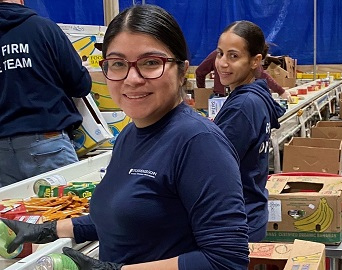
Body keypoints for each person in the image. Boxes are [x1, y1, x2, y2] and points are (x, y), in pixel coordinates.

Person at [3, 5, 249, 270]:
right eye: (118, 64)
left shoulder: (199, 142)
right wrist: (48, 229)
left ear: (182, 70)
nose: (132, 79)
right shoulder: (130, 134)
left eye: (151, 63)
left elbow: (227, 260)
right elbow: (122, 217)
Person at [0, 0, 91, 187]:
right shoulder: (44, 29)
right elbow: (81, 85)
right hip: (48, 142)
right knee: (65, 210)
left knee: (12, 214)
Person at [213, 20, 286, 242]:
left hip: (234, 221)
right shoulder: (256, 97)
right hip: (252, 210)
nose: (222, 63)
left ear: (255, 61)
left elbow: (213, 168)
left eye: (233, 56)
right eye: (220, 53)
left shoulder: (243, 106)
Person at [196, 50, 292, 100]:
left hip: (220, 98)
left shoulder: (217, 55)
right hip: (242, 97)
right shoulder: (246, 56)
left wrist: (202, 93)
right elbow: (262, 75)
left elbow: (200, 72)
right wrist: (281, 92)